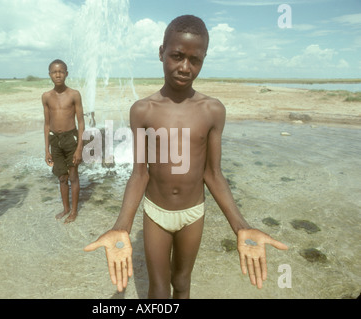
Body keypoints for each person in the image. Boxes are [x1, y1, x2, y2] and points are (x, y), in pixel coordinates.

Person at [84, 15, 288, 298]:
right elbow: (140, 174)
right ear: (161, 53)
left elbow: (213, 174)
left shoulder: (212, 110)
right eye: (177, 56)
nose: (185, 67)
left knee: (182, 283)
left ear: (204, 59)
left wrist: (241, 226)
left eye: (195, 60)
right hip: (156, 213)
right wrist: (121, 227)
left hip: (194, 213)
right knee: (158, 287)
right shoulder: (143, 110)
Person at [43, 59, 85, 224]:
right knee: (62, 177)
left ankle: (74, 211)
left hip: (70, 138)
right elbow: (46, 124)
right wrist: (46, 149)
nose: (58, 74)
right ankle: (66, 208)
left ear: (66, 74)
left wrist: (79, 148)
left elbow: (81, 122)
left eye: (61, 71)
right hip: (55, 139)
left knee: (73, 176)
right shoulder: (46, 96)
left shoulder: (74, 94)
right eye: (54, 72)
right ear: (50, 75)